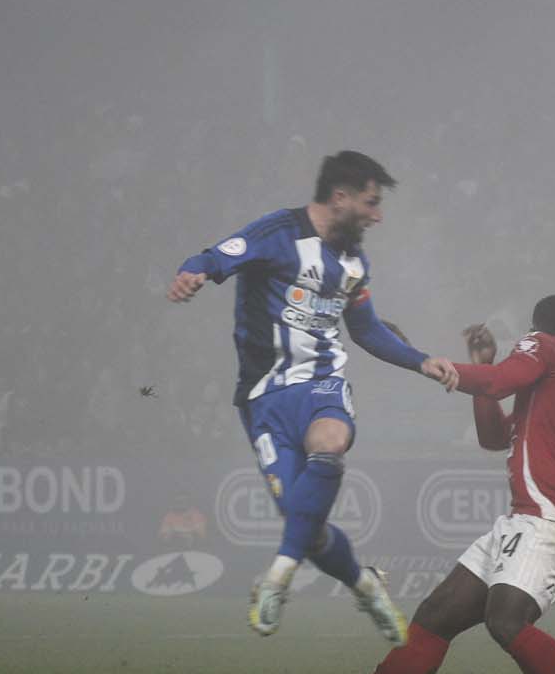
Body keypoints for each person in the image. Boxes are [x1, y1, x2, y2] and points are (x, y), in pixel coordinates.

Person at [278, 297, 555, 674]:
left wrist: (427, 363)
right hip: (538, 518)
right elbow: (493, 436)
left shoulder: (548, 347)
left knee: (506, 620)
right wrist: (481, 367)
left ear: (538, 332)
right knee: (438, 613)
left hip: (553, 519)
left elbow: (504, 379)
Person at [168, 151, 457, 641]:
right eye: (371, 202)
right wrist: (193, 272)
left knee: (330, 442)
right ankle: (366, 586)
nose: (377, 214)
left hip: (322, 383)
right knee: (310, 527)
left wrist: (419, 359)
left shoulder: (353, 262)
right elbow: (218, 255)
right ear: (340, 197)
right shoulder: (279, 232)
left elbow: (364, 330)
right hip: (262, 397)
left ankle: (277, 576)